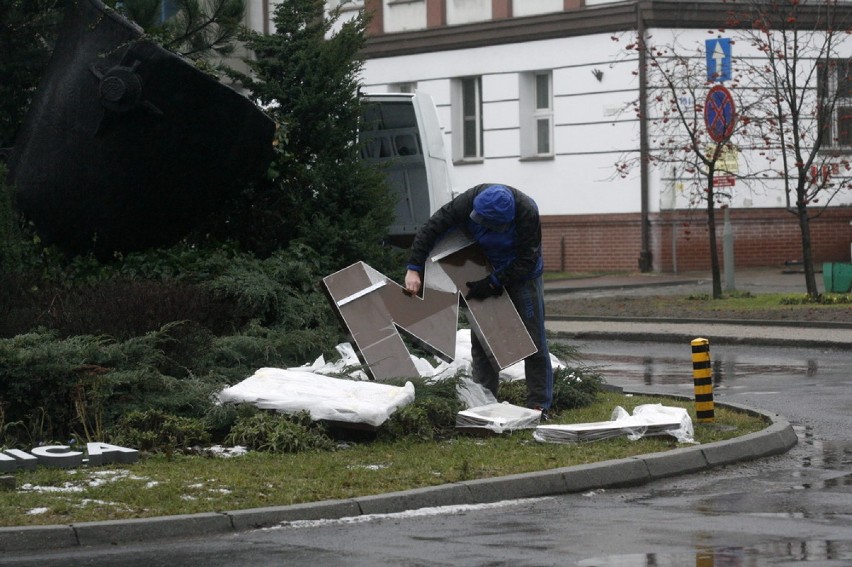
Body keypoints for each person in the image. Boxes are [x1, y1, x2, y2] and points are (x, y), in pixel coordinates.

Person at [403, 183, 553, 413]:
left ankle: (539, 404)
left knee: (534, 339)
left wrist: (494, 282)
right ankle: (485, 399)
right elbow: (432, 228)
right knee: (483, 339)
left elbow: (527, 259)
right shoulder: (468, 201)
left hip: (523, 276)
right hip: (482, 267)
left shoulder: (526, 211)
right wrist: (414, 268)